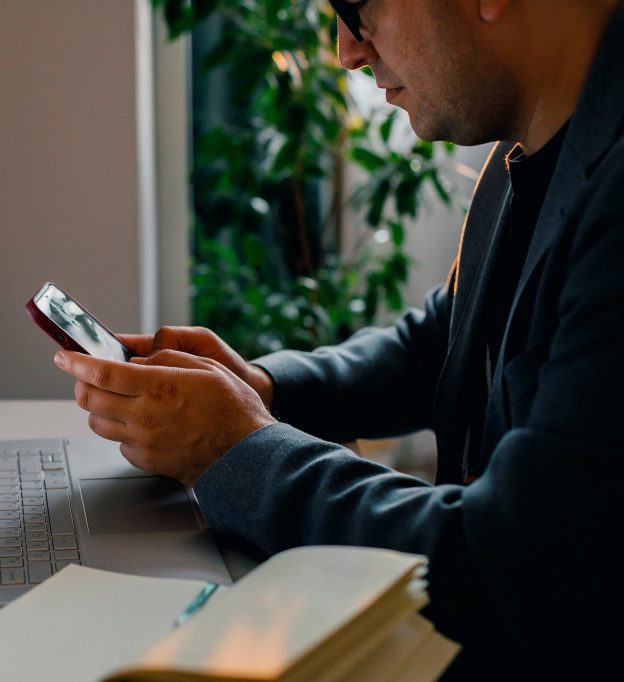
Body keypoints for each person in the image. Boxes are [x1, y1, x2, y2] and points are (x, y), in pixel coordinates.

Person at [54, 0, 624, 677]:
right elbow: (440, 344)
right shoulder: (533, 138)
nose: (346, 51)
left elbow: (504, 560)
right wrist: (260, 389)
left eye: (357, 8)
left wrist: (233, 449)